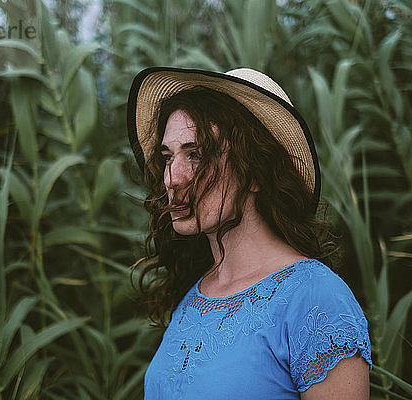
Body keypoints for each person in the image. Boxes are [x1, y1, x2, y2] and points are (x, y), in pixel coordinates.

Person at [127, 67, 371, 399]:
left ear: (255, 171)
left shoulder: (315, 298)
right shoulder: (194, 298)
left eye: (196, 154)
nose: (172, 178)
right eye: (168, 157)